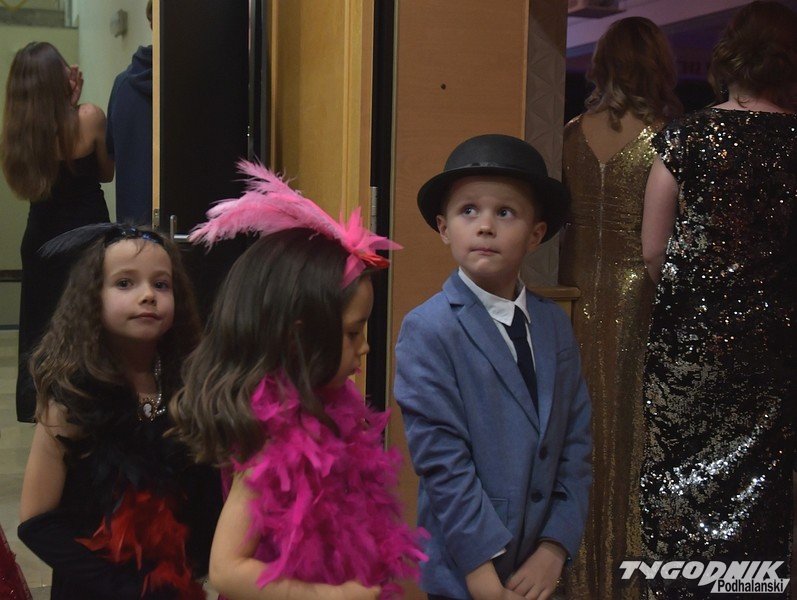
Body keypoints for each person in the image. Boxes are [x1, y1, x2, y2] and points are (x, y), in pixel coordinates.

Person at [170, 161, 425, 600]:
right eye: (353, 332)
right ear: (299, 336)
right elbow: (226, 569)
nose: (365, 347)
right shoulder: (270, 440)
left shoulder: (330, 408)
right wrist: (331, 597)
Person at [640, 2, 796, 597]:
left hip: (689, 350)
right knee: (761, 500)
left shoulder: (685, 135)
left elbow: (653, 251)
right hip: (774, 350)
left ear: (730, 56)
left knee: (679, 490)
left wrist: (696, 304)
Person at [394, 134, 592, 600]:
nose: (485, 226)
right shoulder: (428, 329)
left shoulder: (554, 325)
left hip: (540, 569)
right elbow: (443, 464)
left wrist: (555, 547)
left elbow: (576, 443)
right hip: (467, 572)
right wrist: (480, 574)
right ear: (444, 228)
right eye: (468, 211)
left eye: (505, 213)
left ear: (536, 234)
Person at [17, 225, 221, 599]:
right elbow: (36, 523)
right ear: (92, 297)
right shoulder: (72, 398)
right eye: (125, 283)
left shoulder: (190, 390)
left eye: (161, 285)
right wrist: (129, 590)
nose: (148, 295)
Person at [557, 17, 681, 600]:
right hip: (639, 298)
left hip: (574, 291)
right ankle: (626, 577)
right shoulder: (665, 141)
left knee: (576, 428)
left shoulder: (568, 134)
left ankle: (574, 571)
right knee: (631, 434)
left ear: (602, 63)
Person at [1, 41, 113, 423]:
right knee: (87, 327)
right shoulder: (90, 117)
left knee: (43, 329)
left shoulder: (20, 136)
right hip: (87, 237)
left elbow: (28, 187)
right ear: (59, 79)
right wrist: (72, 108)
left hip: (41, 242)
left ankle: (43, 408)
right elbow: (106, 173)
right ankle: (88, 407)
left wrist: (62, 111)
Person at [106, 0, 154, 224]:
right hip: (195, 227)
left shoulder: (122, 85)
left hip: (133, 228)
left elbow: (110, 157)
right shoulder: (202, 85)